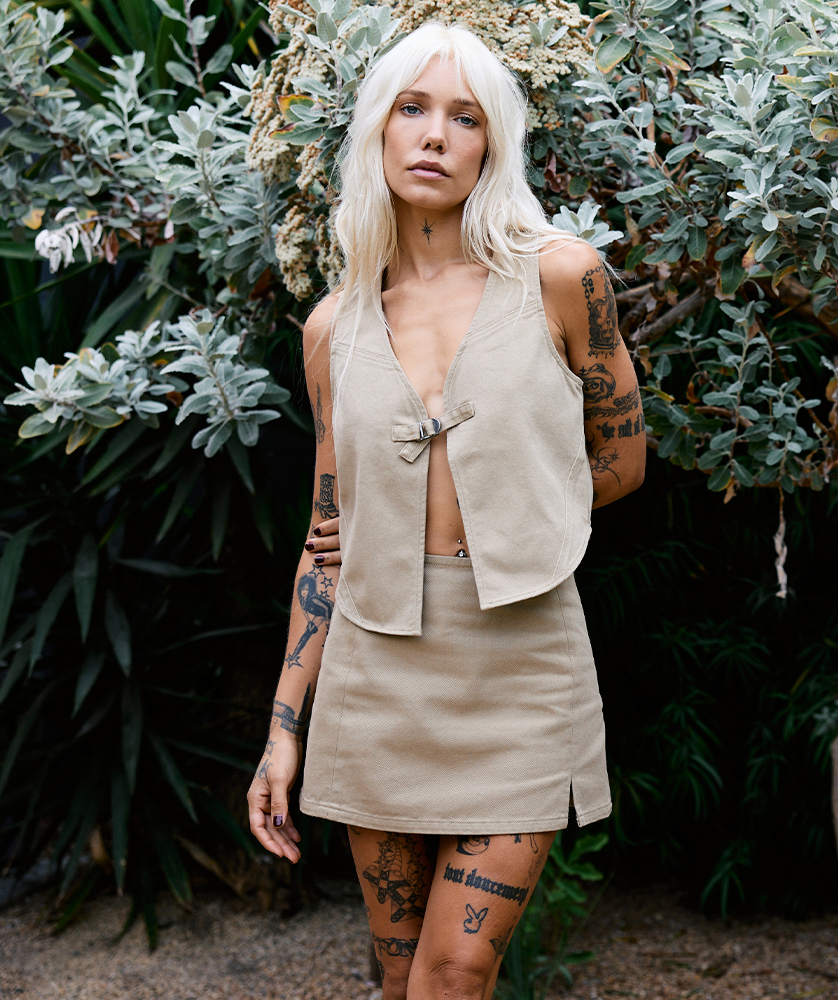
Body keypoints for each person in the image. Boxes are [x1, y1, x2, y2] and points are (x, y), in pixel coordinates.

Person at [247, 21, 645, 1000]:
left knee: (455, 973)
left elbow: (622, 458)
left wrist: (513, 514)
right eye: (412, 109)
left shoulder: (562, 276)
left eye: (464, 117)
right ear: (376, 132)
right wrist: (283, 730)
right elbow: (327, 542)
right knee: (400, 981)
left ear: (491, 144)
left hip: (521, 661)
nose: (434, 135)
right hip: (376, 672)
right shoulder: (333, 327)